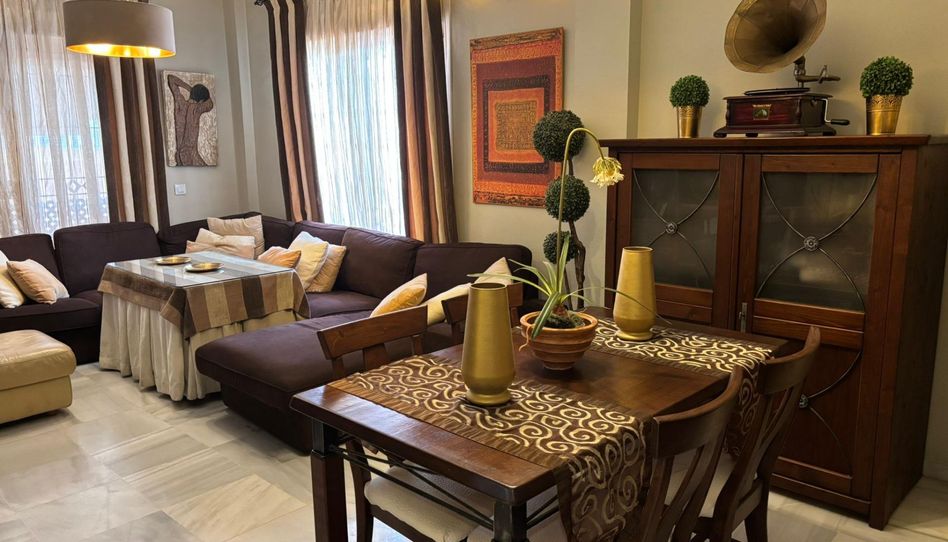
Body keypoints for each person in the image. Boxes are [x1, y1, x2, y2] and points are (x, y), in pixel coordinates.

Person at [167, 74, 214, 166]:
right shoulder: (197, 109)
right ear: (201, 101)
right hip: (190, 154)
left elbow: (171, 78)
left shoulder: (180, 103)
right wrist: (196, 93)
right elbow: (210, 104)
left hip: (181, 154)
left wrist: (190, 89)